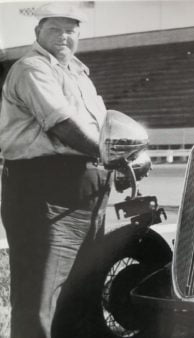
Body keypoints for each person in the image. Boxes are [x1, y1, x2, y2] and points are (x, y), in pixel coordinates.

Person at [0, 3, 111, 337]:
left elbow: (102, 128)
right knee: (41, 296)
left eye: (71, 29)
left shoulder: (79, 74)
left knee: (79, 294)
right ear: (37, 32)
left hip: (86, 190)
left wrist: (125, 154)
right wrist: (111, 154)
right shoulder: (32, 68)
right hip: (45, 190)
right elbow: (63, 125)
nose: (64, 36)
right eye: (54, 29)